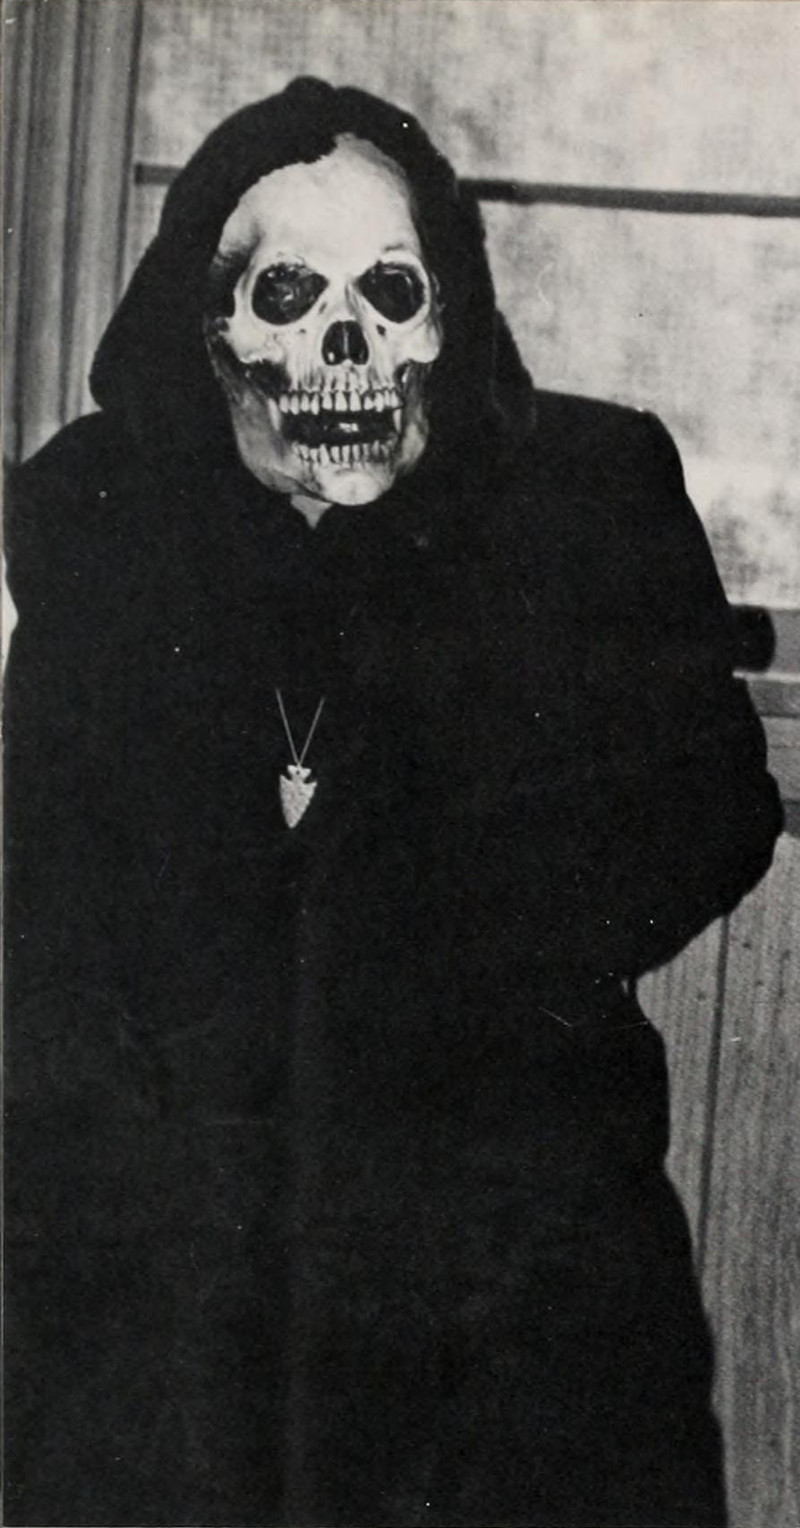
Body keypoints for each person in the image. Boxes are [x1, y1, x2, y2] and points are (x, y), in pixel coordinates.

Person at [3, 77, 782, 1528]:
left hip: (504, 1229)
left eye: (393, 291)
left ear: (450, 321)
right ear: (202, 333)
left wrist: (473, 944)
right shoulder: (105, 521)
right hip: (188, 1241)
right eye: (289, 296)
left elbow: (716, 804)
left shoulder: (580, 501)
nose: (348, 346)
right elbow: (42, 884)